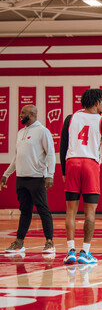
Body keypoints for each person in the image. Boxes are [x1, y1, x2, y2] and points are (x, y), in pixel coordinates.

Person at [60, 88, 102, 265]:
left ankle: (70, 251)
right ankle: (85, 252)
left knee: (71, 211)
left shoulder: (70, 118)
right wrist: (101, 158)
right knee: (90, 211)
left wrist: (63, 171)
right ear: (97, 102)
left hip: (72, 163)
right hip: (90, 164)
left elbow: (63, 146)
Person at [1, 105, 56, 254]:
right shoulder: (20, 133)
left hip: (37, 178)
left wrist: (50, 174)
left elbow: (50, 153)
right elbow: (16, 157)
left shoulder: (42, 131)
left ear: (32, 114)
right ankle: (19, 242)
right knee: (25, 211)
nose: (20, 115)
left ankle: (49, 242)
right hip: (21, 179)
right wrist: (6, 174)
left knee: (43, 210)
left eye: (23, 113)